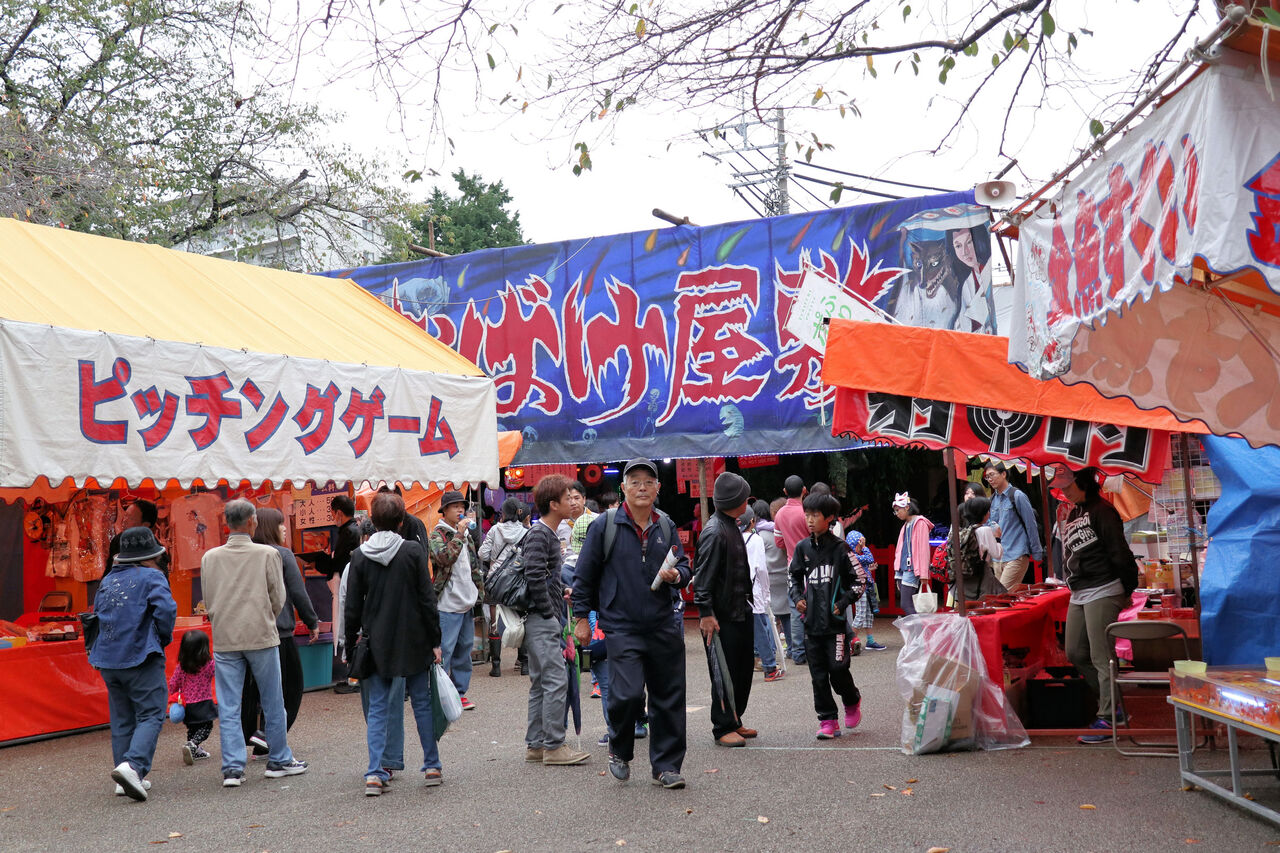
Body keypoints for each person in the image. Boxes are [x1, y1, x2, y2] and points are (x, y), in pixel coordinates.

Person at [573, 458, 691, 789]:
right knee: (625, 695)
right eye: (635, 481)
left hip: (662, 622)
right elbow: (584, 574)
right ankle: (620, 750)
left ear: (658, 488)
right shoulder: (605, 525)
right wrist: (581, 619)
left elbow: (684, 566)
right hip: (621, 625)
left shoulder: (665, 525)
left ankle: (666, 766)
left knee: (669, 696)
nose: (642, 487)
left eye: (648, 482)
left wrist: (677, 575)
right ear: (623, 487)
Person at [201, 499, 308, 787]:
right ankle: (279, 759)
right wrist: (264, 617)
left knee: (229, 704)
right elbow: (278, 598)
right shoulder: (268, 554)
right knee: (273, 700)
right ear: (252, 521)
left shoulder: (210, 557)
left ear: (227, 523)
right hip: (260, 634)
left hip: (226, 637)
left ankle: (232, 768)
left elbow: (208, 600)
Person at [344, 491, 445, 794]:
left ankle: (375, 773)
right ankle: (432, 765)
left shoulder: (360, 556)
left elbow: (352, 608)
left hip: (377, 641)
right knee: (422, 703)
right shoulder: (412, 551)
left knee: (378, 707)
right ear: (402, 521)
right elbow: (427, 599)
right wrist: (435, 640)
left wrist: (351, 646)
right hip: (414, 638)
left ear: (372, 521)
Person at [89, 526, 176, 801]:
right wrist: (161, 638)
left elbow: (97, 615)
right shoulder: (153, 576)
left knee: (122, 718)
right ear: (149, 555)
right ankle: (133, 766)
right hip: (140, 655)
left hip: (107, 659)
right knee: (151, 713)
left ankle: (124, 773)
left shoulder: (108, 580)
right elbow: (166, 610)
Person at [1055, 467, 1138, 744]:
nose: (1063, 490)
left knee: (1102, 656)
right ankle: (1113, 703)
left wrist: (1128, 588)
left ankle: (1109, 715)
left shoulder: (1103, 511)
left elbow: (1120, 552)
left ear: (1082, 483)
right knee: (1075, 652)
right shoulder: (1075, 512)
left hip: (1104, 587)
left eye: (1067, 485)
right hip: (1079, 591)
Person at [520, 474, 591, 767]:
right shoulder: (541, 534)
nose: (573, 502)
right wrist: (549, 611)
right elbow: (534, 575)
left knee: (541, 682)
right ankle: (553, 746)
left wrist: (561, 590)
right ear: (553, 504)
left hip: (541, 615)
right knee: (554, 679)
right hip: (542, 618)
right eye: (567, 498)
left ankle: (536, 745)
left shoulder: (546, 533)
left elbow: (544, 575)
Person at [241, 506, 319, 757]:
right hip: (279, 632)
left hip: (248, 632)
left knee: (254, 689)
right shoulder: (283, 555)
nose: (285, 528)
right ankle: (268, 736)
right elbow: (298, 592)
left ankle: (259, 738)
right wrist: (312, 621)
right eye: (281, 524)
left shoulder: (244, 554)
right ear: (270, 527)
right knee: (288, 688)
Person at [790, 494, 863, 739]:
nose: (810, 520)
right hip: (811, 625)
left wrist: (841, 604)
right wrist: (797, 598)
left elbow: (860, 581)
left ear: (829, 517)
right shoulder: (802, 548)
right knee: (818, 676)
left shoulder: (841, 548)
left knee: (838, 670)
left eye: (815, 515)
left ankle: (851, 700)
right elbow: (793, 578)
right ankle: (828, 720)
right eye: (807, 515)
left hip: (836, 626)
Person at [693, 471, 757, 749]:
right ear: (736, 501)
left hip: (739, 610)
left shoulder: (730, 524)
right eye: (745, 497)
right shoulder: (714, 531)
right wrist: (706, 613)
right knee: (724, 672)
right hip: (720, 617)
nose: (748, 501)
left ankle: (734, 717)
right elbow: (702, 578)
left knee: (742, 670)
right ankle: (722, 726)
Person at [428, 490, 483, 712]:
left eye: (462, 506)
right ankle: (440, 695)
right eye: (455, 507)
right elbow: (444, 558)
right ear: (444, 511)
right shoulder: (438, 534)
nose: (460, 510)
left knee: (464, 652)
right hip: (447, 605)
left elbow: (473, 565)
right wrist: (459, 534)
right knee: (445, 652)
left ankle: (459, 693)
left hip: (466, 602)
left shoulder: (465, 534)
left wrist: (478, 592)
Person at [478, 497, 528, 678]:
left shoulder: (494, 530)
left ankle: (496, 666)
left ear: (504, 513)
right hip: (517, 581)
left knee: (494, 623)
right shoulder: (526, 532)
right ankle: (524, 664)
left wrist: (495, 558)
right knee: (523, 619)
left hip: (495, 580)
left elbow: (482, 554)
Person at [984, 461, 1045, 590]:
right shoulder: (991, 500)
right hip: (998, 558)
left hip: (1017, 554)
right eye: (987, 477)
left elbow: (1031, 525)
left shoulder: (1017, 496)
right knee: (1003, 597)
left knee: (1002, 595)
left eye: (992, 475)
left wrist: (1037, 553)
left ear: (1003, 474)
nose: (989, 479)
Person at [741, 507, 782, 682]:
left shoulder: (730, 537)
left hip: (734, 593)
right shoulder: (756, 539)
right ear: (752, 522)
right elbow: (761, 570)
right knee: (761, 630)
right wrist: (766, 594)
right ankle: (770, 667)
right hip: (753, 592)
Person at [772, 476, 809, 664]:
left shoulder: (779, 514)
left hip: (792, 566)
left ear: (785, 492)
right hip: (812, 566)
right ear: (804, 490)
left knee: (795, 608)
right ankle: (813, 648)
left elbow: (779, 542)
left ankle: (798, 651)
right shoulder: (807, 513)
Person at [170, 631, 217, 766]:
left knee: (192, 729)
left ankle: (193, 750)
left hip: (187, 706)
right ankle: (193, 744)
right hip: (203, 703)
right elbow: (219, 672)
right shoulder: (208, 665)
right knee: (206, 727)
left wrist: (175, 693)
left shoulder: (181, 667)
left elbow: (173, 683)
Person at [950, 497, 1007, 603]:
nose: (989, 513)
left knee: (969, 608)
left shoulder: (964, 530)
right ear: (983, 514)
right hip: (981, 576)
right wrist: (997, 538)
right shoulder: (985, 530)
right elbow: (997, 554)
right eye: (987, 511)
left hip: (965, 579)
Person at [948, 225, 996, 334]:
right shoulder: (965, 283)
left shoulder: (987, 271)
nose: (965, 252)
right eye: (958, 246)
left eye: (969, 242)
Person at [892, 493, 933, 616]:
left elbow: (924, 550)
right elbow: (900, 550)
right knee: (907, 603)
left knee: (906, 604)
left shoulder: (920, 523)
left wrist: (924, 573)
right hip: (903, 568)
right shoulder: (905, 525)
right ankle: (917, 627)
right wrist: (897, 572)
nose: (896, 513)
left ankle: (919, 627)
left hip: (912, 568)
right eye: (895, 511)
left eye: (898, 510)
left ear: (907, 507)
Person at [105, 499, 169, 577]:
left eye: (130, 518)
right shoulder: (117, 541)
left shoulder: (157, 552)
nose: (124, 521)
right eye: (125, 516)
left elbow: (161, 578)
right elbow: (109, 572)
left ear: (145, 525)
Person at [845, 530, 886, 651]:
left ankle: (870, 641)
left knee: (868, 615)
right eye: (859, 545)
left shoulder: (856, 556)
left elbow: (865, 565)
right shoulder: (853, 556)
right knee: (861, 614)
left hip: (866, 588)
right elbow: (869, 558)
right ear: (854, 545)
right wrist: (865, 547)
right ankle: (851, 642)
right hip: (859, 588)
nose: (861, 548)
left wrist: (869, 569)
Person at [556, 480, 589, 553]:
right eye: (569, 499)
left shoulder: (596, 519)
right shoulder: (558, 522)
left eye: (577, 498)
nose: (573, 503)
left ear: (584, 499)